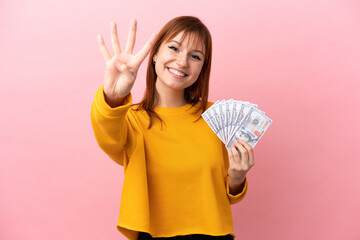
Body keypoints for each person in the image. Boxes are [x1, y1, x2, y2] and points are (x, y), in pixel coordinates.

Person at [91, 16, 255, 240]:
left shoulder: (217, 118)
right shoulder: (129, 120)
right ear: (155, 53)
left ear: (202, 68)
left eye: (195, 56)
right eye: (174, 48)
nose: (182, 62)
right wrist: (113, 95)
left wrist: (237, 177)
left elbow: (230, 194)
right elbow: (106, 133)